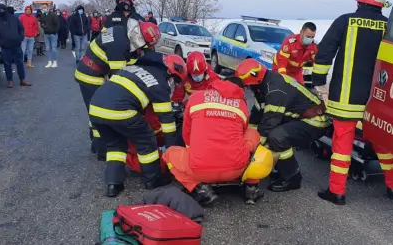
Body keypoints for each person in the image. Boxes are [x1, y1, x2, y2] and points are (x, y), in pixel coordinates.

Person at [312, 0, 393, 204]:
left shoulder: (345, 21)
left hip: (345, 99)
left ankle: (337, 192)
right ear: (381, 5)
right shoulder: (390, 26)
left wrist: (319, 83)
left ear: (359, 1)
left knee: (342, 146)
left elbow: (325, 54)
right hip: (377, 100)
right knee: (384, 144)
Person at [89, 54, 187, 197]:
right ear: (171, 73)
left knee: (115, 146)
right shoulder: (161, 83)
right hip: (120, 110)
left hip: (96, 109)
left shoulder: (135, 68)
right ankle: (153, 180)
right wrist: (172, 150)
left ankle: (113, 185)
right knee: (146, 141)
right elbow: (167, 121)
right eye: (176, 81)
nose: (175, 85)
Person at [163, 76, 272, 206]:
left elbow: (186, 134)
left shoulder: (195, 98)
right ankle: (251, 189)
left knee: (169, 154)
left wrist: (198, 151)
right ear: (240, 90)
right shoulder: (241, 104)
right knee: (252, 133)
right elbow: (241, 133)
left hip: (200, 170)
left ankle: (201, 189)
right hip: (236, 169)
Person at [235, 59, 329, 192]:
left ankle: (292, 178)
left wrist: (251, 147)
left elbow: (269, 123)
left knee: (277, 137)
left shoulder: (275, 91)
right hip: (297, 117)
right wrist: (245, 134)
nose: (247, 88)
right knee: (271, 135)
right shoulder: (264, 85)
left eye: (247, 85)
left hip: (314, 121)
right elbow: (257, 114)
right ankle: (282, 169)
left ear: (255, 80)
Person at [75, 19, 161, 160]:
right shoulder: (119, 45)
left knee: (97, 112)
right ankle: (101, 150)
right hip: (90, 75)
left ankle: (98, 146)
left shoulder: (123, 32)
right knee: (97, 113)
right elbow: (119, 76)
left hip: (96, 71)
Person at [0, 4, 31, 88]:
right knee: (7, 64)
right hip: (5, 47)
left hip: (17, 44)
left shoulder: (14, 18)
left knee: (20, 62)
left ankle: (22, 79)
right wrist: (1, 42)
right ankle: (10, 81)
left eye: (3, 10)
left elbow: (21, 28)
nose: (1, 12)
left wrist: (21, 37)